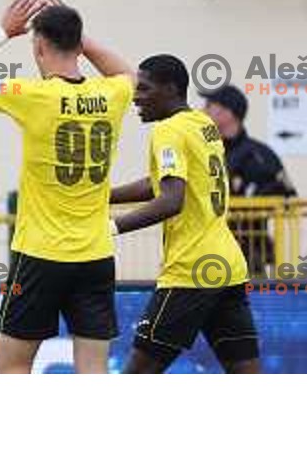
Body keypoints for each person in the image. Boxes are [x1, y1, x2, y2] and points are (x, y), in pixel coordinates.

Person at [0, 0, 135, 373]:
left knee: (13, 369)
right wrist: (80, 36)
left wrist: (2, 32)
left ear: (39, 46)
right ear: (78, 45)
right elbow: (129, 74)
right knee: (93, 372)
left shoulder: (32, 94)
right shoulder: (112, 93)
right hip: (95, 255)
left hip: (40, 255)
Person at [111, 55, 260, 374]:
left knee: (136, 374)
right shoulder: (203, 124)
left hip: (191, 270)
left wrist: (110, 228)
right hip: (227, 267)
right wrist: (104, 196)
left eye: (144, 89)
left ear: (171, 89)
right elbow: (164, 184)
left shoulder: (168, 131)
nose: (135, 97)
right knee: (247, 375)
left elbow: (171, 200)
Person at [202, 85, 296, 276]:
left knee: (254, 304)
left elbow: (289, 198)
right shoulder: (207, 151)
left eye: (209, 106)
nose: (203, 111)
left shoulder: (259, 155)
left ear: (227, 113)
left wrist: (250, 208)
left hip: (249, 254)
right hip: (207, 254)